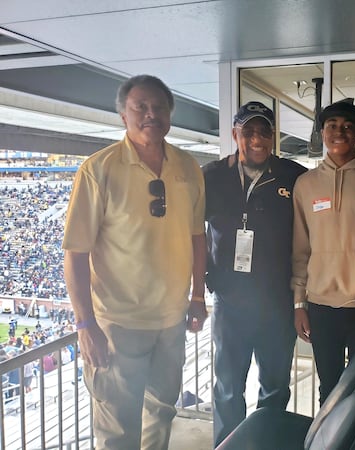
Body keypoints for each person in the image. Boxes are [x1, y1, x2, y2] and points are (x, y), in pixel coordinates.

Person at [62, 74, 208, 450]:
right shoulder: (99, 170)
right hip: (117, 324)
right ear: (123, 115)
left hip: (171, 321)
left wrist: (196, 297)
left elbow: (196, 238)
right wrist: (84, 324)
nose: (150, 114)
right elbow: (75, 252)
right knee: (117, 429)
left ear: (170, 116)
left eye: (159, 107)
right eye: (139, 107)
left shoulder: (189, 168)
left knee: (161, 414)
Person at [203, 101, 307, 447]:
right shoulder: (213, 176)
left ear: (274, 136)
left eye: (265, 131)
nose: (257, 138)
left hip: (276, 303)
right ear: (235, 135)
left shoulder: (293, 176)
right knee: (228, 389)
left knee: (275, 388)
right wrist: (203, 278)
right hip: (229, 303)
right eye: (248, 131)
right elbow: (187, 230)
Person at [291, 99, 355, 406]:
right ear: (322, 132)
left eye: (348, 126)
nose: (340, 132)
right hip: (321, 307)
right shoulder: (305, 184)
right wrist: (299, 302)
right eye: (332, 126)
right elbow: (300, 249)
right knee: (329, 392)